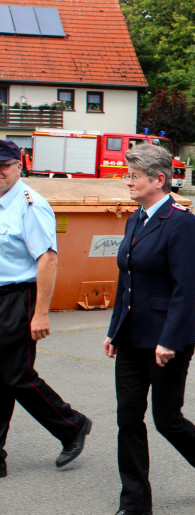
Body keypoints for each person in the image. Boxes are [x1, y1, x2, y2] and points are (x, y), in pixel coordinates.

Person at [101, 144, 195, 515]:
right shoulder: (135, 220)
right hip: (131, 337)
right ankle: (136, 501)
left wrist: (169, 340)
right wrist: (113, 331)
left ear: (159, 179)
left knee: (166, 418)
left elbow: (185, 288)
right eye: (128, 174)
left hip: (166, 341)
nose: (128, 180)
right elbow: (126, 281)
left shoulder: (182, 222)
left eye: (134, 175)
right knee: (128, 417)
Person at [0, 139, 92, 479]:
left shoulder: (30, 205)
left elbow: (48, 259)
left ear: (18, 166)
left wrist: (40, 312)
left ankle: (72, 425)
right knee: (3, 376)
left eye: (4, 167)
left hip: (18, 297)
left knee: (17, 375)